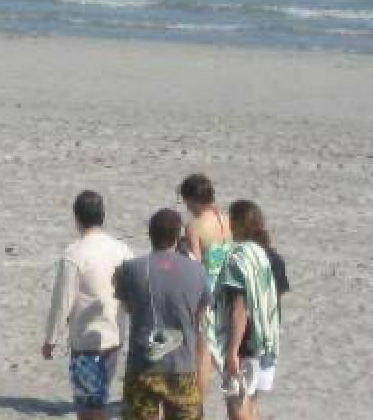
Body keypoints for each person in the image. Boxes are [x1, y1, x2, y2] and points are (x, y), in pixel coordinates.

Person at [42, 190, 133, 420]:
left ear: (77, 218)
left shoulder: (74, 254)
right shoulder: (122, 249)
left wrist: (51, 339)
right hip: (115, 336)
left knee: (89, 407)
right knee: (99, 397)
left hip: (86, 341)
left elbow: (62, 301)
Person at [113, 208, 209, 420]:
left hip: (143, 363)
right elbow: (200, 315)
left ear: (150, 234)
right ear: (177, 237)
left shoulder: (130, 269)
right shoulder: (198, 271)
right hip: (182, 364)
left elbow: (127, 308)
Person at [211, 200, 284, 420]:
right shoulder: (273, 257)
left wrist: (232, 351)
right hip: (267, 340)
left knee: (238, 406)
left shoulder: (240, 259)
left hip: (245, 342)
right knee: (251, 403)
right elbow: (276, 300)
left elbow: (240, 308)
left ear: (237, 224)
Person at [178, 173, 233, 390]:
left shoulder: (194, 226)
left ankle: (197, 402)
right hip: (228, 291)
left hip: (207, 294)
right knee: (222, 349)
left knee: (203, 352)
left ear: (193, 200)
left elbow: (195, 266)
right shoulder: (227, 220)